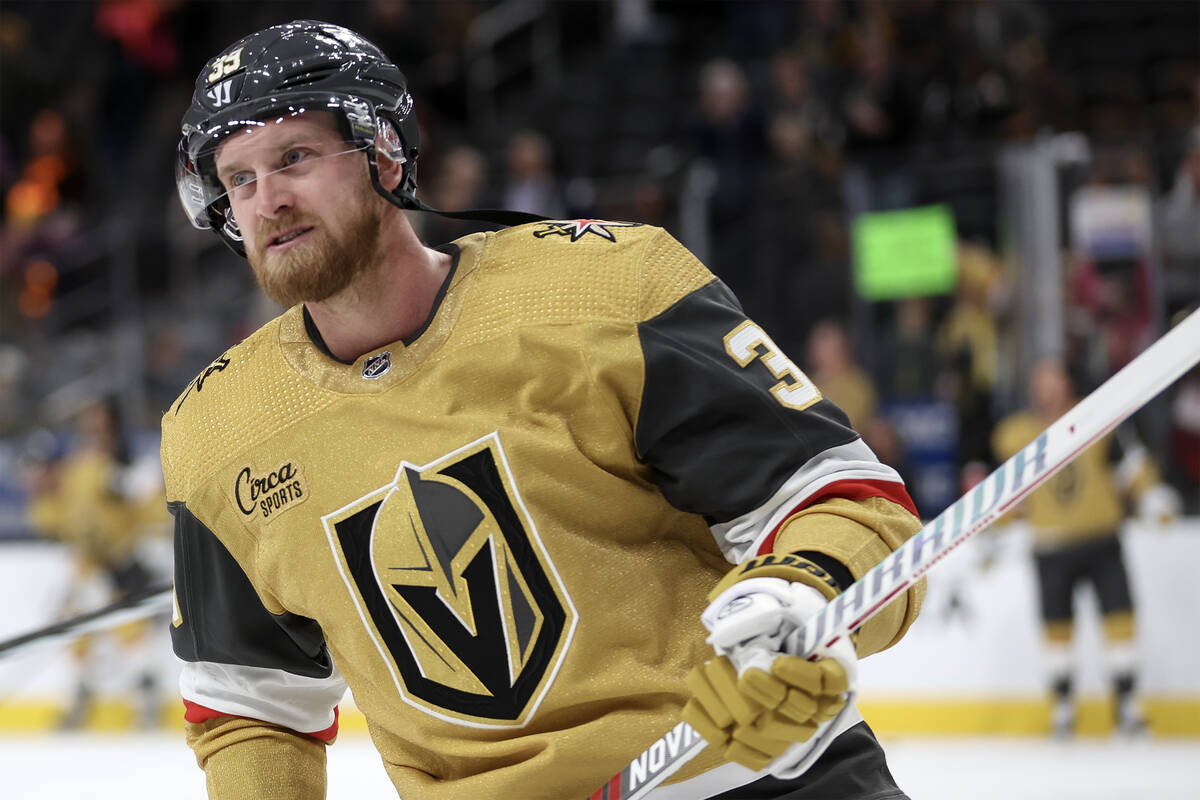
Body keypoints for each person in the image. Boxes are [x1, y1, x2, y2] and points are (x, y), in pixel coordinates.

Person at [167, 21, 925, 800]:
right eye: (240, 179)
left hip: (754, 774)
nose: (268, 202)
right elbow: (251, 709)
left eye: (294, 157)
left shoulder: (609, 289)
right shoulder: (218, 434)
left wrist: (797, 601)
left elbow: (851, 508)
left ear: (384, 153)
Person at [992, 358, 1178, 738]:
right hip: (1049, 545)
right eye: (1038, 380)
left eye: (1052, 378)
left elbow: (1129, 465)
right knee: (1056, 627)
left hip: (1101, 538)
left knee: (1119, 618)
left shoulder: (1097, 419)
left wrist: (1150, 494)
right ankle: (1063, 707)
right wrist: (993, 527)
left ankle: (1127, 705)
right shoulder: (1016, 434)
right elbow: (1008, 494)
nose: (1045, 388)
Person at [24, 397, 169, 729]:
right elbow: (65, 523)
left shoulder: (120, 466)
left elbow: (150, 505)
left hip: (129, 561)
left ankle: (145, 692)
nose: (94, 431)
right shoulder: (76, 471)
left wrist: (134, 490)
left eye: (101, 424)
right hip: (96, 565)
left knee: (125, 618)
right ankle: (83, 689)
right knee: (77, 615)